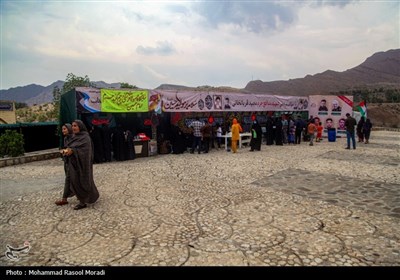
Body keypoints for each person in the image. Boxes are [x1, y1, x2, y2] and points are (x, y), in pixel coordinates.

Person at [63, 120, 100, 210]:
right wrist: (69, 151)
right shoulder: (74, 137)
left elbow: (86, 151)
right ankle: (82, 198)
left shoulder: (85, 137)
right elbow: (71, 147)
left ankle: (82, 202)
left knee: (83, 181)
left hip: (83, 164)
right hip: (73, 163)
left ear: (80, 126)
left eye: (75, 126)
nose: (73, 128)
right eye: (72, 126)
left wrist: (74, 151)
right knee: (74, 181)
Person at [55, 124, 74, 206]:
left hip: (73, 162)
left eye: (65, 129)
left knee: (69, 179)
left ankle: (64, 198)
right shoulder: (66, 138)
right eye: (62, 129)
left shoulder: (74, 138)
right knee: (70, 178)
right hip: (67, 161)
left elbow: (74, 149)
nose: (63, 131)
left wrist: (67, 151)